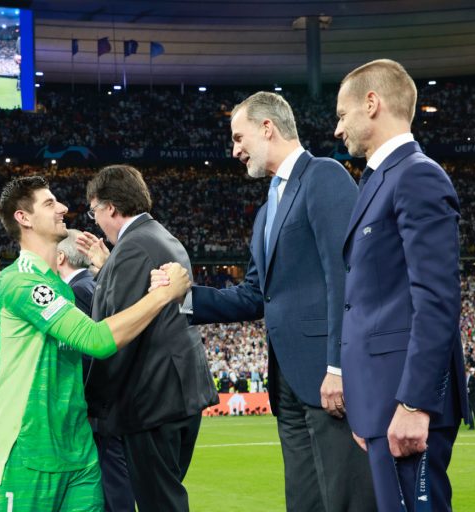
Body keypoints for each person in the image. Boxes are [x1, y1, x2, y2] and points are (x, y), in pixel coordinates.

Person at [152, 92, 374, 512]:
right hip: (287, 380)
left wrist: (339, 366)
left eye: (239, 137)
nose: (235, 150)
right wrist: (184, 297)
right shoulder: (267, 209)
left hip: (328, 377)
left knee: (348, 500)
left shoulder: (323, 175)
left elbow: (345, 274)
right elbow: (255, 295)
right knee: (304, 502)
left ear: (267, 128)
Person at [0, 176, 191, 512]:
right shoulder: (19, 281)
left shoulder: (60, 289)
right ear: (23, 218)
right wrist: (164, 294)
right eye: (50, 203)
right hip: (26, 449)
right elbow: (96, 340)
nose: (63, 208)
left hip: (77, 450)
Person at [334, 58, 466, 512]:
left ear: (372, 103)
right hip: (381, 400)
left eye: (342, 114)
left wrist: (414, 403)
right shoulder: (381, 179)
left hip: (404, 403)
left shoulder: (416, 174)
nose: (338, 128)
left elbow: (437, 297)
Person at [80, 165, 219, 512]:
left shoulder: (133, 247)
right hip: (177, 395)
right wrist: (109, 267)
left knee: (160, 502)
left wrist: (91, 402)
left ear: (111, 208)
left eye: (94, 211)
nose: (96, 221)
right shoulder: (159, 236)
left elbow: (121, 331)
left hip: (151, 400)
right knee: (165, 496)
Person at [57, 229, 136, 512]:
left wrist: (87, 403)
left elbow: (89, 351)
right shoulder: (93, 283)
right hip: (115, 402)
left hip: (100, 408)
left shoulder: (76, 291)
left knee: (111, 487)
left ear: (60, 257)